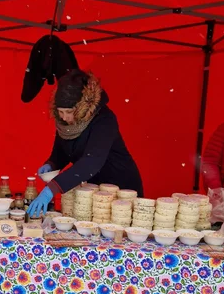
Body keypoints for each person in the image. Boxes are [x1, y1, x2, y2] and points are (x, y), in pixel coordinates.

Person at [28, 70, 143, 216]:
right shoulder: (65, 124)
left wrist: (52, 188)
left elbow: (91, 162)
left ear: (81, 106)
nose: (65, 117)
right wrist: (51, 164)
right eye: (60, 112)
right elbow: (62, 152)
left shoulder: (104, 120)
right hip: (94, 192)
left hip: (121, 188)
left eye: (69, 112)